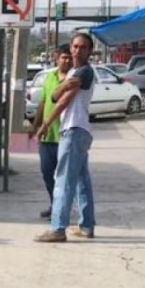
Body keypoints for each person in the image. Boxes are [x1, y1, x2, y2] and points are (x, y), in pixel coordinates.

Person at [34, 32, 97, 242]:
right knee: (81, 180)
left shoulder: (85, 71)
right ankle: (87, 225)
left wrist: (44, 125)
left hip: (74, 129)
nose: (78, 50)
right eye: (76, 46)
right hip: (78, 130)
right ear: (70, 48)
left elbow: (62, 101)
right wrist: (62, 87)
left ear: (90, 51)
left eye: (83, 47)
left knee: (63, 181)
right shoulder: (74, 72)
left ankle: (58, 228)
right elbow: (54, 95)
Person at [29, 45, 73, 218]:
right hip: (47, 136)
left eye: (69, 57)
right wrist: (35, 126)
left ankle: (63, 209)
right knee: (47, 173)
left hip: (65, 135)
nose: (67, 60)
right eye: (64, 57)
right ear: (56, 57)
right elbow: (43, 102)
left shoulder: (74, 79)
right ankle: (54, 204)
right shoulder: (48, 77)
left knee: (64, 177)